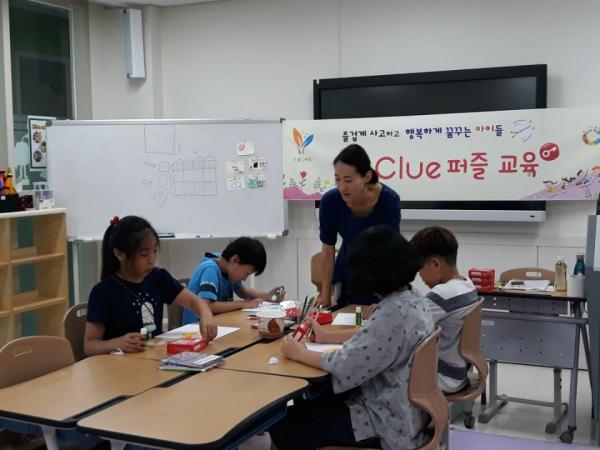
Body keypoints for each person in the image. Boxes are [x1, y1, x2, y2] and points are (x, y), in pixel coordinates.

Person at [269, 225, 433, 450]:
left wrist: (300, 353)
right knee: (317, 402)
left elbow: (345, 365)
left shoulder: (392, 314)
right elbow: (377, 338)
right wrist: (328, 336)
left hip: (384, 421)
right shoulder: (413, 298)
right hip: (409, 412)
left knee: (286, 424)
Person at [84, 216, 218, 356]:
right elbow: (89, 345)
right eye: (144, 254)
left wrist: (206, 315)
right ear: (120, 254)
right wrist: (117, 343)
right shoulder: (103, 292)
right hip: (122, 363)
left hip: (154, 357)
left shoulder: (158, 277)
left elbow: (193, 301)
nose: (152, 260)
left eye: (155, 251)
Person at [316, 144, 400, 307]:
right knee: (344, 317)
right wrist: (325, 294)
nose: (342, 187)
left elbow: (391, 251)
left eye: (348, 180)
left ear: (367, 176)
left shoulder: (389, 200)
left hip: (379, 276)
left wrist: (389, 293)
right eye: (338, 179)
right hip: (347, 273)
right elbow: (327, 248)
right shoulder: (330, 201)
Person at [410, 226, 478, 393]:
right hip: (459, 372)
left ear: (435, 264)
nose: (420, 277)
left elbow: (408, 329)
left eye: (419, 269)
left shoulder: (442, 294)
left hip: (442, 377)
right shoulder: (467, 285)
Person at [182, 237, 285, 324]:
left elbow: (242, 291)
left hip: (216, 324)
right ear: (235, 260)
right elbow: (206, 305)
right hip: (196, 329)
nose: (245, 278)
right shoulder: (211, 270)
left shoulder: (227, 268)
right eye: (247, 273)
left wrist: (268, 297)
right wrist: (242, 304)